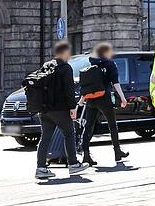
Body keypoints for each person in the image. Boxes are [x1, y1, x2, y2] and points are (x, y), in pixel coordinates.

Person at [35, 41, 90, 179]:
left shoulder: (46, 66)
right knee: (69, 133)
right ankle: (73, 164)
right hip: (60, 109)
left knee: (45, 137)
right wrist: (73, 108)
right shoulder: (65, 68)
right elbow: (69, 90)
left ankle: (41, 168)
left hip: (44, 109)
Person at [80, 42, 129, 166]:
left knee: (89, 126)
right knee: (112, 125)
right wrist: (123, 98)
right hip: (105, 98)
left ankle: (86, 154)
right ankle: (117, 152)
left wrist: (81, 100)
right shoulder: (110, 64)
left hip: (91, 99)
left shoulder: (91, 64)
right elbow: (115, 83)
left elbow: (87, 85)